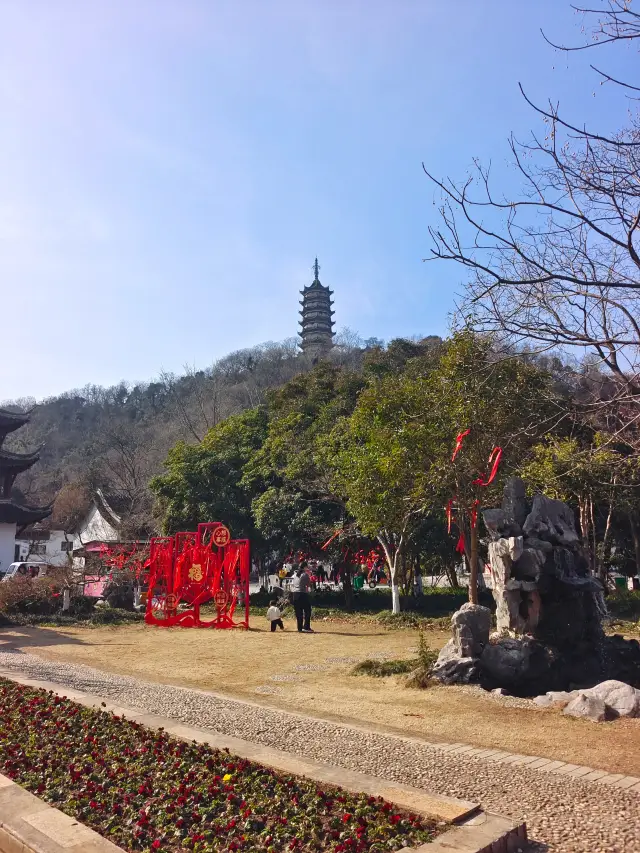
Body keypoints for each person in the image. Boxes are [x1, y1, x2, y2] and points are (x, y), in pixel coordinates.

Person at [290, 562, 313, 633]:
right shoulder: (305, 575)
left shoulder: (294, 575)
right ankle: (306, 626)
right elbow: (309, 585)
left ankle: (299, 628)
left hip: (295, 594)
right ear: (305, 567)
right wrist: (309, 576)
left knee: (298, 612)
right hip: (302, 594)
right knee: (307, 611)